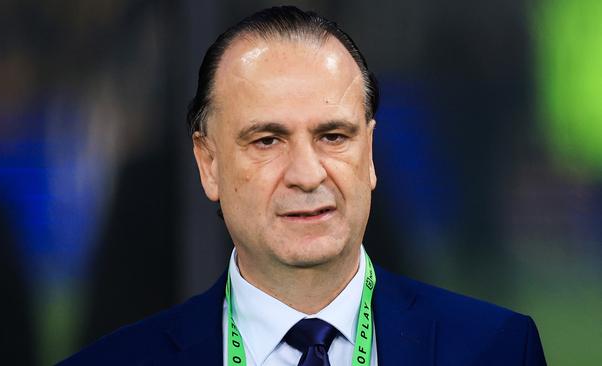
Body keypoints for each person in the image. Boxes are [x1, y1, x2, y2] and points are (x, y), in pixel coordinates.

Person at [59, 6, 546, 365]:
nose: (307, 174)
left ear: (370, 153)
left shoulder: (500, 349)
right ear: (208, 164)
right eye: (268, 140)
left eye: (333, 136)